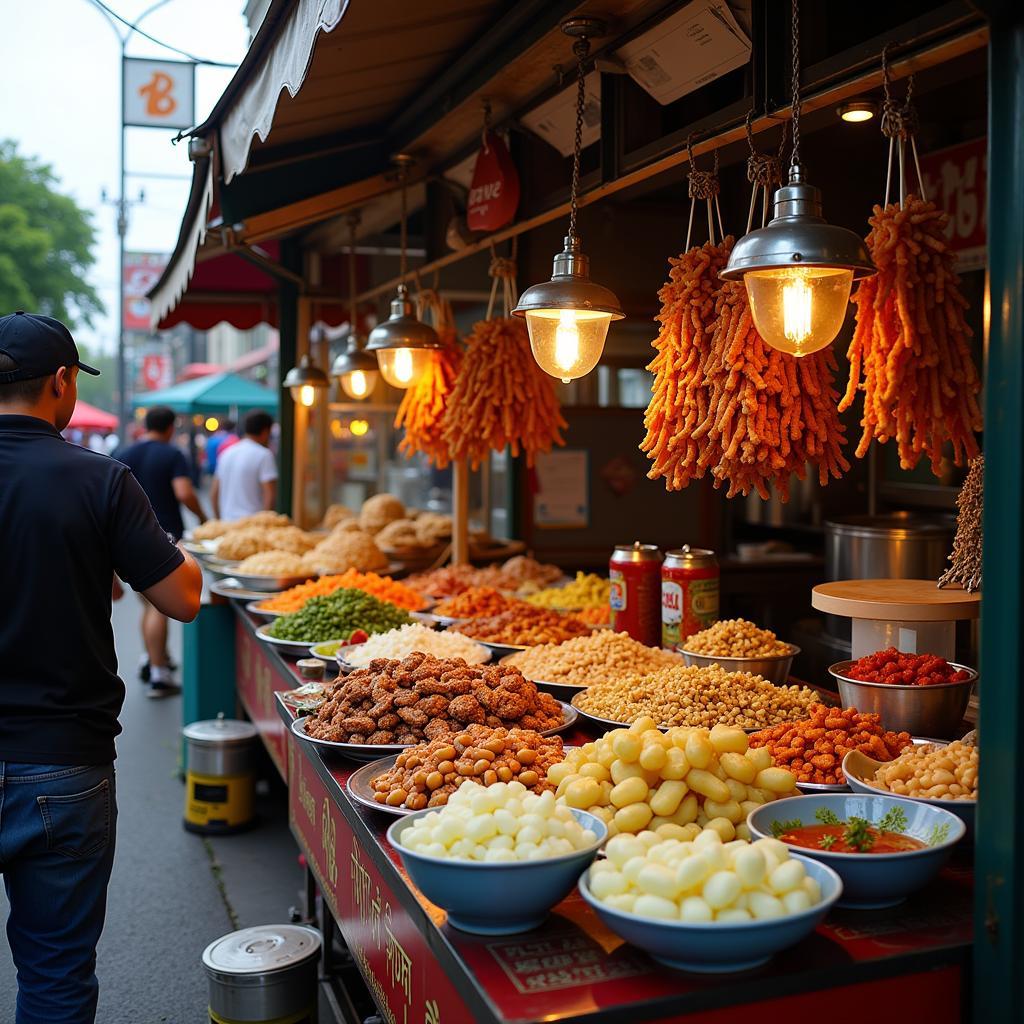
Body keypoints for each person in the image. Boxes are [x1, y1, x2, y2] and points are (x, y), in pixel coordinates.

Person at [0, 311, 202, 1024]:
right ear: (61, 383)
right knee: (54, 973)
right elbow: (181, 599)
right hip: (62, 761)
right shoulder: (99, 480)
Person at [117, 405, 207, 696]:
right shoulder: (172, 454)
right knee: (160, 606)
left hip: (128, 538)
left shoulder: (125, 453)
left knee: (147, 604)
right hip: (164, 538)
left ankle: (154, 658)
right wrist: (204, 517)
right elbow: (183, 492)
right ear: (170, 428)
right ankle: (159, 674)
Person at [211, 409, 278, 521]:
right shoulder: (264, 455)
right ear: (266, 431)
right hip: (252, 527)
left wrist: (219, 520)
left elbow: (213, 494)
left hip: (227, 523)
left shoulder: (226, 453)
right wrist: (264, 525)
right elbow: (270, 496)